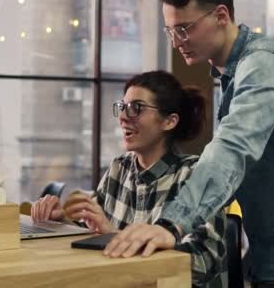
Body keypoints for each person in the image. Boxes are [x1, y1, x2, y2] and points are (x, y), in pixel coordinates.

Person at [103, 0, 274, 287]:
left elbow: (232, 149)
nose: (177, 40)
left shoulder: (262, 64)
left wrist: (171, 225)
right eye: (171, 31)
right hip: (273, 251)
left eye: (185, 28)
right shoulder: (232, 74)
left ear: (221, 16)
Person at [31, 70, 227, 288]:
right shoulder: (119, 167)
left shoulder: (196, 175)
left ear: (169, 121)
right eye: (122, 107)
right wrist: (62, 221)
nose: (123, 117)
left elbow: (203, 263)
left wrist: (114, 236)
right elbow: (95, 231)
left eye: (136, 108)